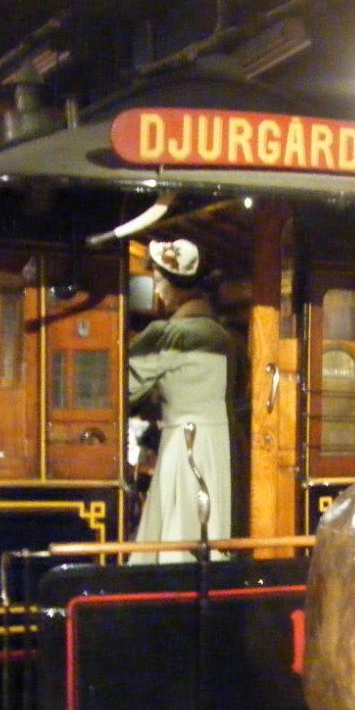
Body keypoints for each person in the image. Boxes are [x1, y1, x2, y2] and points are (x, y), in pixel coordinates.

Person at [126, 237, 233, 563]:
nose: (157, 290)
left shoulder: (169, 335)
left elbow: (124, 388)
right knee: (207, 528)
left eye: (158, 281)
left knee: (179, 528)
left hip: (184, 443)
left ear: (174, 285)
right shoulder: (220, 333)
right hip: (217, 443)